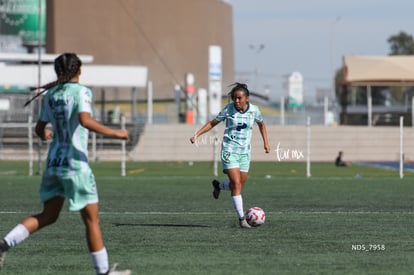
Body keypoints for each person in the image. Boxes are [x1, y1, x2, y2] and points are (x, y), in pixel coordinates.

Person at [0, 53, 131, 275]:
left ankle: (3, 245)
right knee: (92, 220)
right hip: (75, 165)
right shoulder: (82, 92)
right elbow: (85, 120)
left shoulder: (51, 95)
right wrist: (116, 133)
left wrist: (46, 133)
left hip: (54, 164)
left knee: (48, 215)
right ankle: (104, 272)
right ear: (78, 69)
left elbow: (40, 129)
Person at [190, 82, 271, 229]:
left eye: (239, 98)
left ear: (247, 98)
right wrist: (197, 134)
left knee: (238, 186)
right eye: (234, 98)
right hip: (229, 151)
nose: (236, 101)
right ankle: (242, 219)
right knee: (237, 185)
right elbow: (212, 123)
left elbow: (261, 125)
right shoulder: (228, 109)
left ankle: (219, 185)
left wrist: (266, 143)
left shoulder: (254, 110)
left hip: (245, 153)